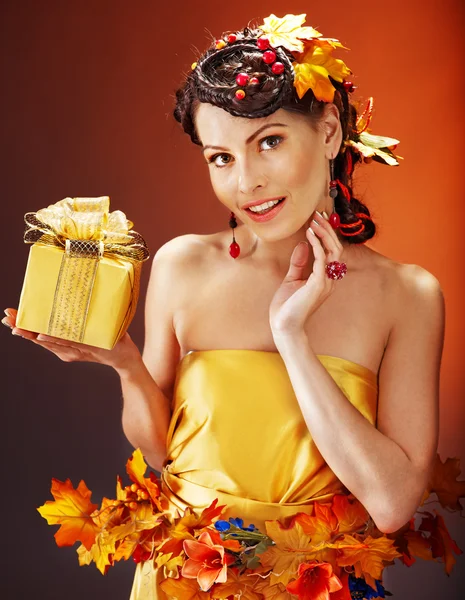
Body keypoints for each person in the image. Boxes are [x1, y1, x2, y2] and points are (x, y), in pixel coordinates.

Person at [2, 13, 446, 600]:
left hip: (319, 586)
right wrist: (127, 366)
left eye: (269, 142)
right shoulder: (183, 265)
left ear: (332, 132)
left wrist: (291, 335)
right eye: (221, 157)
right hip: (182, 583)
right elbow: (164, 452)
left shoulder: (409, 295)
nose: (246, 183)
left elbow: (390, 505)